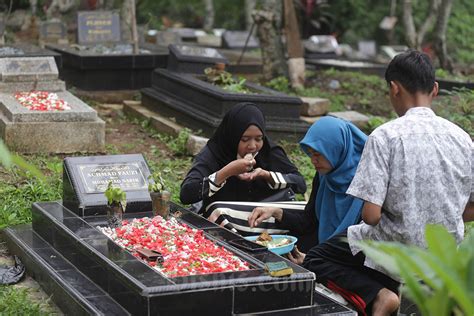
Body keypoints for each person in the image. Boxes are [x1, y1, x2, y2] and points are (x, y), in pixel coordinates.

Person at [289, 50, 474, 316]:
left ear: (394, 88)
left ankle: (379, 296)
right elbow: (471, 209)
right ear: (434, 89)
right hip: (442, 253)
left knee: (318, 256)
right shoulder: (462, 138)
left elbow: (371, 216)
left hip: (394, 250)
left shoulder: (385, 136)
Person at [180, 102, 307, 235]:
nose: (252, 146)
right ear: (233, 136)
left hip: (263, 222)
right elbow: (186, 194)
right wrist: (227, 172)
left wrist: (266, 175)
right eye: (245, 139)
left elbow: (300, 184)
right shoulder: (215, 153)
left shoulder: (269, 152)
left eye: (259, 138)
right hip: (226, 223)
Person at [248, 116, 368, 251]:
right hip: (324, 249)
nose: (313, 161)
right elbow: (308, 222)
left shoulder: (367, 179)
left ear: (337, 149)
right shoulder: (325, 175)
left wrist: (314, 259)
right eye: (310, 154)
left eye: (318, 154)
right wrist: (275, 212)